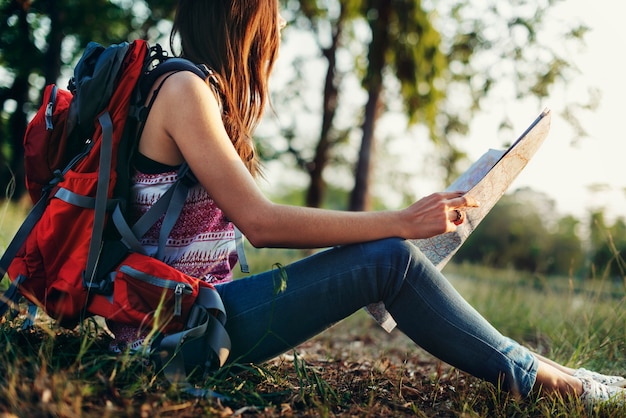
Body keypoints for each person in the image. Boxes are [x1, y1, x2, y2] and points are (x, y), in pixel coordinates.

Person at [106, 0, 626, 409]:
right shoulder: (182, 90)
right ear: (246, 17)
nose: (282, 28)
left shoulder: (194, 89)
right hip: (175, 332)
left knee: (388, 254)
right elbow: (261, 222)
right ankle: (549, 382)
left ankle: (552, 372)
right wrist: (402, 222)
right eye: (276, 14)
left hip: (198, 315)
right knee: (389, 261)